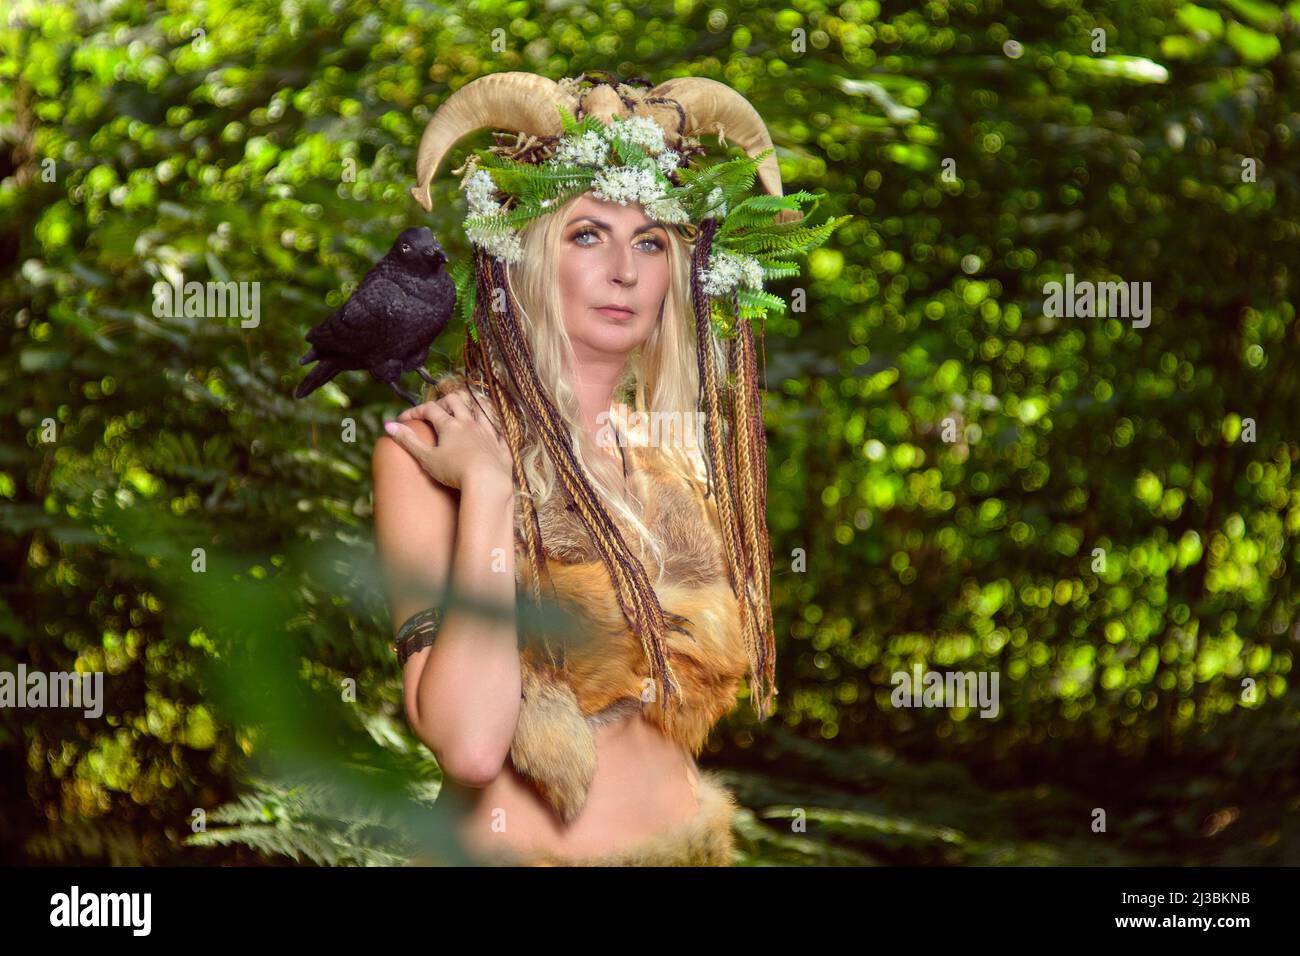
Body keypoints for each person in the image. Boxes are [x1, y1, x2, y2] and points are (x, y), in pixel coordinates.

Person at [369, 71, 846, 865]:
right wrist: (488, 487)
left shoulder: (669, 455)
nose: (625, 269)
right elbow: (471, 748)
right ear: (526, 256)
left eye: (651, 241)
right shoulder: (434, 449)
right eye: (588, 234)